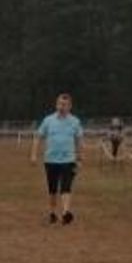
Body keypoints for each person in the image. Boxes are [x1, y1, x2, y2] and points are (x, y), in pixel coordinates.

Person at [31, 92, 85, 225]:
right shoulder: (48, 120)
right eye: (60, 104)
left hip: (68, 160)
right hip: (50, 160)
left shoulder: (75, 122)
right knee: (52, 189)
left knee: (66, 186)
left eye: (65, 104)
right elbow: (38, 137)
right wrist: (33, 154)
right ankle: (53, 213)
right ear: (56, 104)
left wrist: (80, 158)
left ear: (70, 106)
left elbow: (79, 140)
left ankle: (66, 213)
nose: (62, 107)